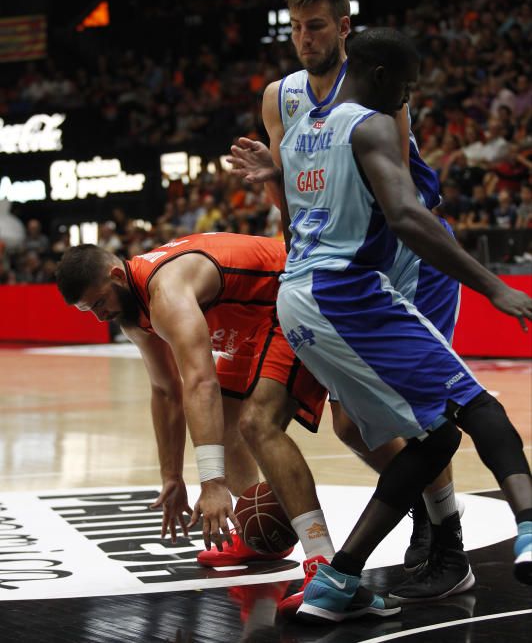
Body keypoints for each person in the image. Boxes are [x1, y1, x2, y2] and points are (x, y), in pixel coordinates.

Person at [239, 27, 532, 623]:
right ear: (376, 73)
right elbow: (407, 216)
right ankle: (529, 526)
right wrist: (495, 285)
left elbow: (298, 214)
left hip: (297, 297)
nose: (404, 100)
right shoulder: (367, 124)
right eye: (402, 86)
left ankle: (339, 578)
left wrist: (276, 176)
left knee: (428, 437)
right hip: (349, 290)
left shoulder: (296, 131)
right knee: (478, 406)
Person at [230, 0, 469, 610]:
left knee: (427, 417)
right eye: (296, 28)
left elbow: (389, 196)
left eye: (317, 26)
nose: (305, 39)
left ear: (343, 29)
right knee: (349, 426)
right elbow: (301, 201)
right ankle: (425, 511)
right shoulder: (278, 97)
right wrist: (272, 180)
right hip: (335, 271)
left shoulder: (374, 84)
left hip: (406, 261)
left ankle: (449, 542)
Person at [56, 234, 401, 619]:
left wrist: (213, 482)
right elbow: (165, 391)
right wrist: (171, 476)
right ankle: (260, 534)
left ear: (117, 275)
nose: (100, 316)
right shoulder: (133, 316)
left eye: (100, 303)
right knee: (223, 425)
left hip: (297, 294)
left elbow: (199, 382)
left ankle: (323, 564)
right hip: (254, 327)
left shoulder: (165, 289)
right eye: (89, 311)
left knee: (258, 425)